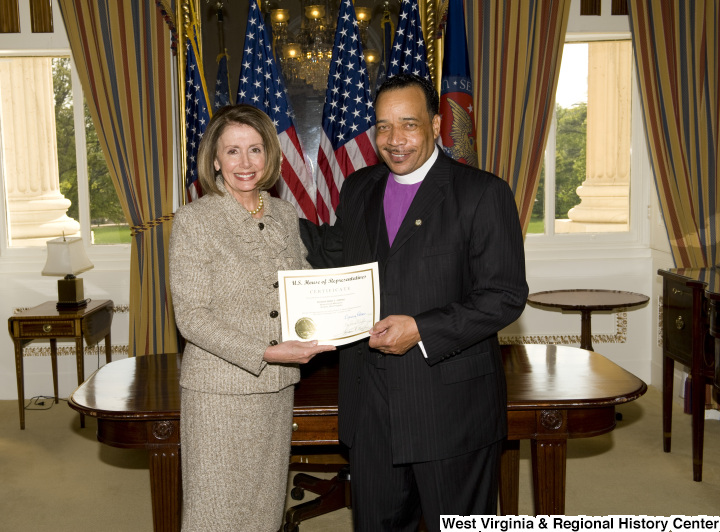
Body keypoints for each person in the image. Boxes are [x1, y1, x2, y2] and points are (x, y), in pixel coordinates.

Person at [300, 74, 528, 530]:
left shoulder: (483, 193)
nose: (394, 140)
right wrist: (260, 215)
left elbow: (504, 296)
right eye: (383, 126)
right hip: (371, 408)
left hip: (450, 407)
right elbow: (333, 253)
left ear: (437, 125)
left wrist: (422, 328)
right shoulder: (359, 186)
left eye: (408, 124)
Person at [169, 104, 335, 532]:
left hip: (277, 387)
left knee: (264, 509)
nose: (245, 163)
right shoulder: (194, 220)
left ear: (270, 155)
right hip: (219, 393)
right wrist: (264, 350)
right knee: (216, 512)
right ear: (214, 160)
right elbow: (191, 316)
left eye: (255, 150)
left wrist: (341, 309)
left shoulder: (283, 214)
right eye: (233, 151)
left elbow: (302, 283)